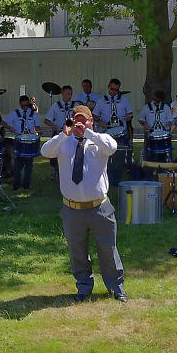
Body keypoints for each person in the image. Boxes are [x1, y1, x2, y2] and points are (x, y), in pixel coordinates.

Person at [37, 103, 126, 301]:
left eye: (83, 119)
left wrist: (88, 133)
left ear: (91, 120)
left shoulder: (100, 140)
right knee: (77, 252)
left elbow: (112, 147)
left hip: (100, 207)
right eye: (76, 119)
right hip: (72, 209)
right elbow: (45, 151)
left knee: (108, 250)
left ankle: (116, 287)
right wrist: (64, 135)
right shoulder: (63, 142)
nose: (79, 123)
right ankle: (84, 287)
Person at [96, 79, 136, 181]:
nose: (114, 91)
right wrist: (100, 122)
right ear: (108, 86)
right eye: (112, 88)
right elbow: (94, 115)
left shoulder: (124, 100)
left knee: (120, 155)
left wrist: (129, 117)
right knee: (108, 155)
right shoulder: (101, 100)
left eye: (116, 90)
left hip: (121, 131)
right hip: (108, 132)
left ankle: (118, 177)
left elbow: (130, 113)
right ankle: (108, 176)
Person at [3, 94, 42, 191]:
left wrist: (38, 134)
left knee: (29, 164)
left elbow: (37, 126)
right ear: (20, 104)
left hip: (29, 141)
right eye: (22, 106)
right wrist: (10, 128)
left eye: (26, 105)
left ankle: (26, 185)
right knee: (17, 164)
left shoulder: (33, 114)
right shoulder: (15, 113)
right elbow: (3, 122)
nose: (24, 108)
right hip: (19, 140)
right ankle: (16, 185)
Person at [137, 90, 177, 170]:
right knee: (150, 154)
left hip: (163, 135)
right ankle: (150, 170)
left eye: (157, 101)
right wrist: (147, 127)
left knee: (165, 153)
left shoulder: (166, 107)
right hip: (151, 135)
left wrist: (168, 126)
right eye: (154, 100)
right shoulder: (146, 107)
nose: (155, 102)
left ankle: (165, 169)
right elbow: (141, 120)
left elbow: (170, 120)